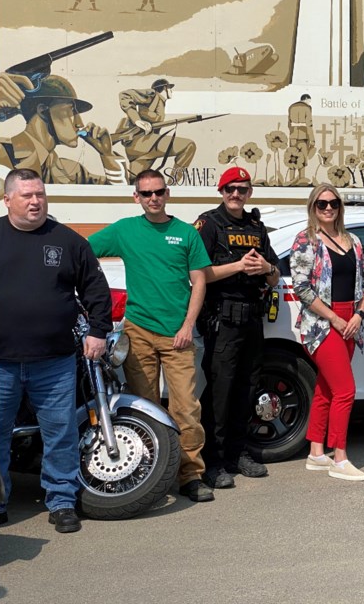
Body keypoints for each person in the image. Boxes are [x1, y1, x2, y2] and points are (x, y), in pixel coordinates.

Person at [88, 169, 215, 502]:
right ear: (137, 197)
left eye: (158, 192)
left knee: (186, 409)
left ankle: (191, 475)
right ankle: (150, 475)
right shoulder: (124, 230)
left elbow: (199, 281)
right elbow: (84, 253)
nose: (153, 198)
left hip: (178, 336)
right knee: (143, 408)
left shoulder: (186, 233)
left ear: (167, 193)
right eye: (146, 194)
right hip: (139, 332)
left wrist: (188, 326)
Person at [0, 168, 112, 532]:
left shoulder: (68, 241)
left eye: (40, 195)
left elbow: (96, 289)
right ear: (8, 200)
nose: (35, 201)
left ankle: (62, 501)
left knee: (60, 433)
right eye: (27, 195)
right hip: (0, 363)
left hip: (56, 362)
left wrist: (97, 331)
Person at [194, 166, 279, 488]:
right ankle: (211, 462)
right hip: (221, 320)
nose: (236, 194)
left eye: (242, 189)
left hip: (252, 319)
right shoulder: (209, 224)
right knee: (220, 392)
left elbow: (273, 275)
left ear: (249, 192)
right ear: (221, 191)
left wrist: (266, 266)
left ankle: (238, 453)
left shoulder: (256, 226)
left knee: (247, 389)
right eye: (230, 188)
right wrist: (240, 265)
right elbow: (199, 273)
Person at [290, 185, 364, 481]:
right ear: (313, 207)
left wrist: (359, 315)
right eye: (321, 203)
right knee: (345, 391)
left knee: (326, 389)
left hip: (350, 321)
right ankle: (339, 458)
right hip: (322, 324)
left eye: (333, 203)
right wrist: (336, 319)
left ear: (340, 206)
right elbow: (301, 288)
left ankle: (316, 453)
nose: (328, 208)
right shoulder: (306, 240)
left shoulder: (355, 241)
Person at [0, 73, 127, 186]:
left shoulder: (72, 171)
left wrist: (107, 155)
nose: (79, 123)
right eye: (71, 111)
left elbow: (118, 200)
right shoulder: (2, 153)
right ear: (43, 111)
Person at [117, 78, 196, 181]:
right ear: (165, 88)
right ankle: (172, 186)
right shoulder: (152, 94)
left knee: (134, 183)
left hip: (140, 150)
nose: (171, 91)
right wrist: (137, 120)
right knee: (189, 146)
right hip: (142, 141)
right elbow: (124, 95)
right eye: (170, 88)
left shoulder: (161, 103)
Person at [286, 94, 315, 185]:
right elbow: (309, 124)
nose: (309, 102)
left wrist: (293, 131)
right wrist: (312, 139)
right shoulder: (307, 108)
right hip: (304, 135)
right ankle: (301, 179)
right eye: (309, 100)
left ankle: (291, 179)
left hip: (293, 135)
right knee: (302, 158)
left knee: (292, 156)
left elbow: (289, 123)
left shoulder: (291, 107)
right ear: (306, 99)